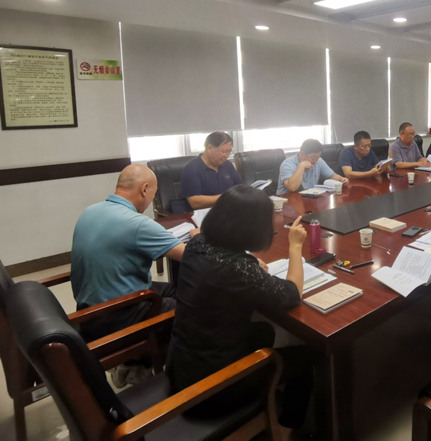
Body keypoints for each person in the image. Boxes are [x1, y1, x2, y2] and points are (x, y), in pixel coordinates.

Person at [166, 186, 313, 440]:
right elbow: (291, 294)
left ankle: (270, 400)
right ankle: (286, 431)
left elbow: (227, 263)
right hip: (214, 389)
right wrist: (295, 247)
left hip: (181, 365)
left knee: (263, 330)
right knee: (305, 358)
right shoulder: (238, 268)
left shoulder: (197, 243)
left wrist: (250, 265)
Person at [71, 164, 186, 340]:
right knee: (185, 308)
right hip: (117, 314)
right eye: (154, 194)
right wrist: (197, 235)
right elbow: (189, 255)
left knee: (176, 289)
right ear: (145, 189)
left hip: (88, 310)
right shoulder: (137, 223)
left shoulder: (89, 211)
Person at [180, 131, 243, 210]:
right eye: (223, 152)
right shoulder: (192, 169)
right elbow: (194, 202)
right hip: (204, 213)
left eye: (229, 152)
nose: (226, 156)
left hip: (228, 210)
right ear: (209, 148)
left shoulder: (227, 165)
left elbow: (240, 187)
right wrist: (226, 197)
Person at [278, 138, 348, 194]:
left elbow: (332, 175)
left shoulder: (318, 161)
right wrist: (301, 166)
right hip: (288, 201)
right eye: (313, 157)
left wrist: (342, 179)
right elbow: (292, 187)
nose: (315, 161)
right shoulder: (287, 164)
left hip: (309, 197)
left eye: (317, 158)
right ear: (302, 154)